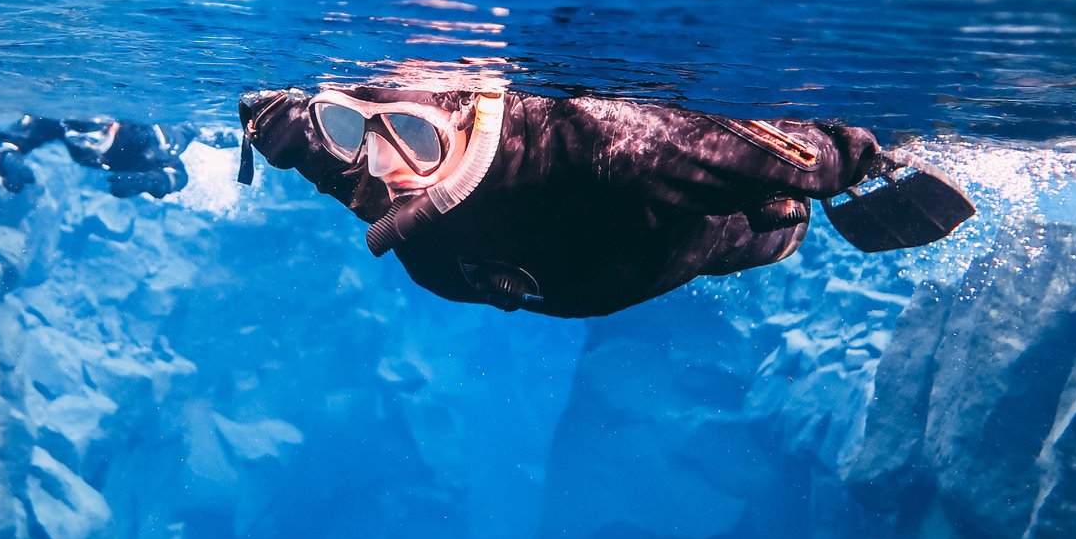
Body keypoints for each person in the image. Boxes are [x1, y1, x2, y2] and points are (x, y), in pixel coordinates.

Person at [236, 85, 975, 318]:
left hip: (691, 237)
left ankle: (775, 214)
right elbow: (322, 150)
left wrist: (859, 157)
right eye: (350, 131)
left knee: (772, 211)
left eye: (416, 139)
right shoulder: (372, 167)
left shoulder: (605, 142)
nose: (388, 170)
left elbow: (815, 159)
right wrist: (281, 127)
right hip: (575, 270)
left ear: (465, 116)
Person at [0, 114, 200, 199]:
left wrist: (147, 181)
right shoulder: (62, 125)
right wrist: (8, 160)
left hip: (189, 138)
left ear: (112, 128)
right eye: (76, 141)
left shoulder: (140, 140)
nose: (86, 147)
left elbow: (178, 174)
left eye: (92, 141)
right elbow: (17, 136)